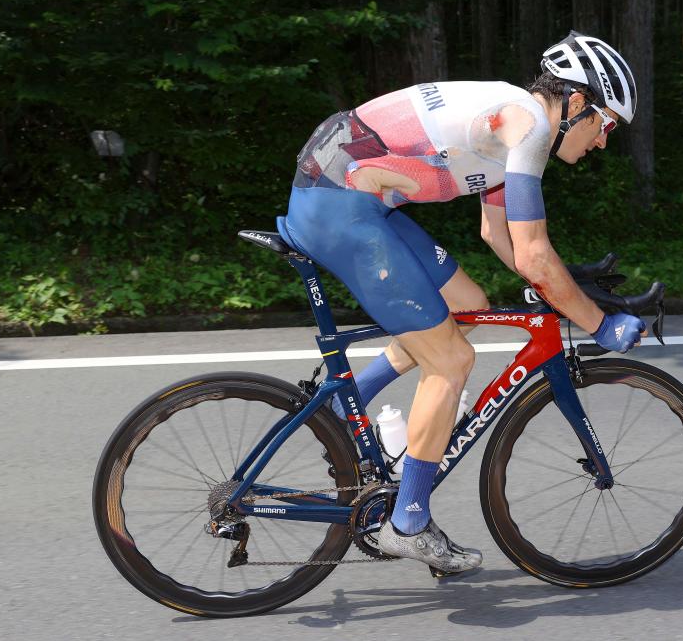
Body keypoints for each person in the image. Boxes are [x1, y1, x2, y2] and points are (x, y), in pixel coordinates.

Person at [276, 31, 646, 574]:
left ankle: (345, 404)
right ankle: (408, 523)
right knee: (450, 361)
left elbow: (502, 238)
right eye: (607, 124)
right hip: (342, 201)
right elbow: (534, 253)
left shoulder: (514, 121)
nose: (604, 141)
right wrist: (598, 324)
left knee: (467, 303)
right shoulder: (530, 127)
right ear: (575, 103)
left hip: (351, 193)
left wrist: (562, 284)